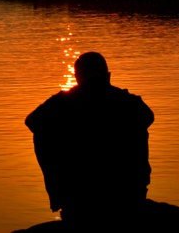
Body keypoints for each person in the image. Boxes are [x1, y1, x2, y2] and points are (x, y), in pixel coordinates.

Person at [25, 52, 154, 230]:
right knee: (138, 126)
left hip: (80, 194)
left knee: (42, 133)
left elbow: (32, 121)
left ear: (77, 78)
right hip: (128, 192)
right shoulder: (127, 101)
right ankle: (131, 190)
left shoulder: (63, 102)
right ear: (108, 76)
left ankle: (62, 196)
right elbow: (148, 117)